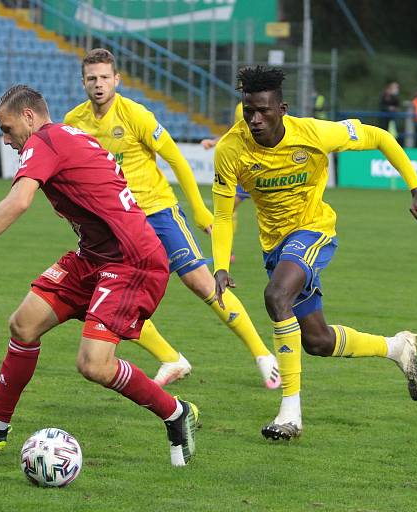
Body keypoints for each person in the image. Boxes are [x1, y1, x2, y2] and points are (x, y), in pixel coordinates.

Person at [0, 85, 198, 466]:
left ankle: (176, 413)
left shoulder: (44, 141)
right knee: (24, 325)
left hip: (130, 261)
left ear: (29, 116)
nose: (5, 139)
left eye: (7, 129)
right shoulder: (67, 135)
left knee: (94, 365)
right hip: (93, 255)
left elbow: (19, 200)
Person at [212, 66, 417, 441]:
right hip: (275, 245)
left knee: (276, 296)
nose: (255, 119)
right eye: (248, 111)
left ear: (282, 108)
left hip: (313, 230)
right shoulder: (230, 149)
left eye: (264, 111)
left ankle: (290, 413)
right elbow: (223, 215)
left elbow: (380, 136)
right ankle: (397, 347)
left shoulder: (315, 133)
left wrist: (416, 189)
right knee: (317, 341)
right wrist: (221, 266)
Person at [65, 49, 280, 390]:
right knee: (113, 296)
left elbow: (176, 159)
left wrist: (197, 209)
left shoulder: (135, 114)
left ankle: (262, 354)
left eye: (105, 77)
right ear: (83, 83)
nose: (98, 84)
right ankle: (171, 358)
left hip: (159, 212)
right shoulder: (74, 123)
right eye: (92, 78)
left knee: (201, 283)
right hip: (119, 224)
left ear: (116, 80)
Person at [200, 102, 250, 265]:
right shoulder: (239, 107)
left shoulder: (267, 102)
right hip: (244, 166)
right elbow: (236, 133)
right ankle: (227, 252)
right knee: (227, 208)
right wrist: (215, 143)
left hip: (264, 164)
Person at [378, 81, 402, 145]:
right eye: (394, 87)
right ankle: (383, 143)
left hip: (393, 117)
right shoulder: (384, 95)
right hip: (384, 117)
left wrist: (394, 109)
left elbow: (398, 106)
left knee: (394, 131)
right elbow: (381, 105)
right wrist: (388, 108)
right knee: (383, 129)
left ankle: (394, 143)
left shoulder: (395, 97)